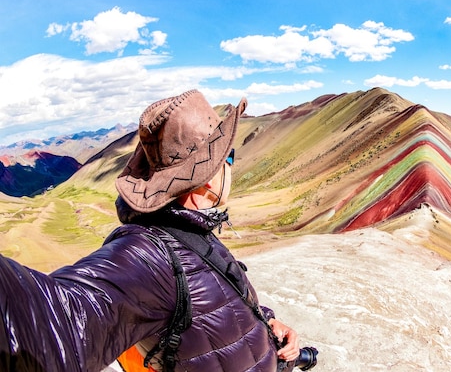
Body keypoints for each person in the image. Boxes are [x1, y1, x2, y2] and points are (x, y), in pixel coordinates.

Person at [0, 89, 300, 371]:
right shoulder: (147, 255)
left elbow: (218, 301)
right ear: (208, 179)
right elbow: (59, 322)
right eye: (229, 157)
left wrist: (266, 321)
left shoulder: (190, 226)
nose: (231, 166)